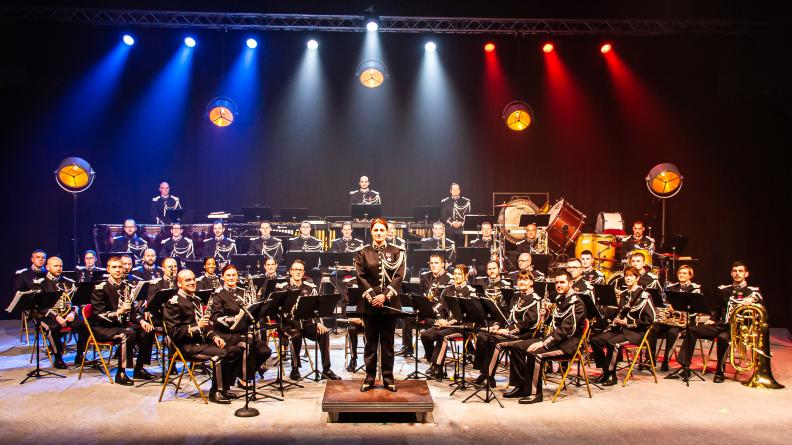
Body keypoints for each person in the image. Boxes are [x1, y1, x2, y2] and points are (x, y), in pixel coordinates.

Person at [499, 270, 586, 404]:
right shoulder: (560, 299)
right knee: (517, 347)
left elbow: (567, 330)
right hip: (555, 339)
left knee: (535, 353)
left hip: (567, 344)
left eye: (562, 282)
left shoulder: (576, 303)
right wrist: (546, 317)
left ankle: (535, 393)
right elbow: (556, 322)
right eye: (557, 282)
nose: (558, 285)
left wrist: (544, 343)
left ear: (571, 283)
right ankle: (521, 386)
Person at [671, 261, 762, 383]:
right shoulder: (725, 290)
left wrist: (752, 299)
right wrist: (712, 319)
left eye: (740, 271)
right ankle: (685, 366)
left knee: (723, 338)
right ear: (731, 273)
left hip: (737, 329)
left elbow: (759, 299)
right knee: (692, 329)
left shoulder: (752, 291)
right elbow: (718, 309)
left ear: (746, 274)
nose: (737, 274)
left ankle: (720, 372)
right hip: (721, 325)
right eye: (735, 271)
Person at [163, 269, 242, 403]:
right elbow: (174, 333)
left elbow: (205, 326)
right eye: (188, 280)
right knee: (222, 354)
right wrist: (197, 326)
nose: (192, 282)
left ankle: (224, 388)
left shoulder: (196, 300)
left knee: (236, 350)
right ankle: (215, 392)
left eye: (193, 279)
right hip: (185, 346)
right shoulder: (173, 303)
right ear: (179, 284)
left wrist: (214, 337)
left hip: (200, 342)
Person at [354, 218, 406, 392]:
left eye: (381, 230)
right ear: (371, 232)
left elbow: (399, 276)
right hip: (369, 305)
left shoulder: (397, 251)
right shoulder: (362, 253)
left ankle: (388, 378)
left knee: (388, 343)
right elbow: (360, 277)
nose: (378, 233)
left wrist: (384, 296)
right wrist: (374, 297)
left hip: (389, 303)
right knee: (370, 344)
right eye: (375, 230)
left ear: (387, 232)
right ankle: (369, 378)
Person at [89, 256, 156, 385]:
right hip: (102, 328)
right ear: (108, 269)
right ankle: (121, 372)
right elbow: (98, 315)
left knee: (148, 330)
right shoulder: (100, 288)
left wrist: (142, 321)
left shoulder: (126, 286)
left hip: (120, 326)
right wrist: (118, 312)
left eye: (120, 267)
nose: (118, 270)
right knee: (128, 334)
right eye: (114, 267)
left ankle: (139, 368)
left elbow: (132, 311)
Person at [473, 270, 542, 388]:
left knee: (494, 341)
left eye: (525, 279)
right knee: (482, 336)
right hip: (510, 330)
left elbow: (529, 322)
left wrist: (508, 330)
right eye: (520, 279)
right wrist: (497, 325)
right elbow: (505, 314)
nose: (522, 282)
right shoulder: (516, 296)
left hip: (525, 334)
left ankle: (489, 377)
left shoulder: (535, 299)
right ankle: (483, 373)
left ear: (531, 282)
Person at [589, 266, 656, 386]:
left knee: (613, 343)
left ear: (637, 278)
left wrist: (628, 322)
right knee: (594, 340)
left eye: (631, 276)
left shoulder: (644, 295)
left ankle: (611, 375)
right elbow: (620, 312)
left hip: (635, 332)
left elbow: (650, 319)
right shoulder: (624, 294)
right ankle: (605, 370)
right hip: (620, 330)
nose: (628, 278)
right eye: (626, 275)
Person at [277, 259, 340, 381]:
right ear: (290, 271)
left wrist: (319, 323)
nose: (298, 272)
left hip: (306, 324)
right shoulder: (282, 288)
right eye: (295, 269)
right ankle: (295, 369)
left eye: (300, 270)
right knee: (296, 336)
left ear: (303, 272)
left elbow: (316, 309)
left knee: (324, 333)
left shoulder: (310, 288)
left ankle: (326, 369)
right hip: (288, 325)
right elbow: (277, 310)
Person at [210, 264, 272, 385]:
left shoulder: (244, 292)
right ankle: (243, 379)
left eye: (234, 275)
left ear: (237, 277)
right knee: (246, 346)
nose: (231, 278)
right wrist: (235, 319)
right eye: (228, 275)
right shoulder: (218, 294)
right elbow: (215, 318)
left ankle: (243, 374)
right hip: (228, 333)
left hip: (245, 330)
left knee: (265, 351)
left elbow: (252, 312)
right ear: (222, 277)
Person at [32, 256, 85, 369]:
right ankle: (58, 358)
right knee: (54, 327)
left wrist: (72, 313)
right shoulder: (40, 283)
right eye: (55, 266)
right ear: (47, 267)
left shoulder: (68, 282)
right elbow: (39, 306)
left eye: (60, 266)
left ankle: (80, 355)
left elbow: (75, 302)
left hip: (66, 314)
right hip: (46, 316)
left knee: (84, 325)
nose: (59, 268)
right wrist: (56, 316)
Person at [425, 264, 474, 379]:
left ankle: (438, 368)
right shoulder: (448, 289)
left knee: (441, 335)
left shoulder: (470, 291)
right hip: (446, 324)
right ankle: (433, 363)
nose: (456, 276)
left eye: (459, 274)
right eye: (455, 274)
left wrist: (448, 322)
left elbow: (465, 315)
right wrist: (440, 319)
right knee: (425, 335)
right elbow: (440, 307)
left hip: (462, 326)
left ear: (466, 276)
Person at [652, 265, 701, 371]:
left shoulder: (695, 288)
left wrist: (678, 308)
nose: (681, 275)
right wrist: (667, 306)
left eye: (684, 273)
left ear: (690, 275)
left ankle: (665, 361)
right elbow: (665, 303)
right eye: (680, 273)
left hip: (685, 321)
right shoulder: (671, 287)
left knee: (672, 332)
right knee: (653, 328)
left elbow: (695, 308)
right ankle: (650, 359)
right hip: (670, 319)